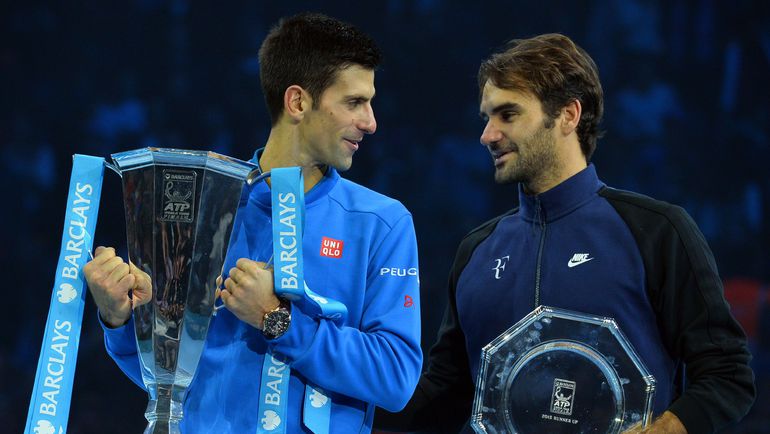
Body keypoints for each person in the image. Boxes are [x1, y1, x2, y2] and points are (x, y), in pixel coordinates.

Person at [375, 33, 755, 433]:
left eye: (508, 114)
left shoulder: (657, 231)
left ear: (568, 115)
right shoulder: (477, 251)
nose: (487, 134)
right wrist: (327, 381)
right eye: (487, 118)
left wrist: (664, 429)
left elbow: (728, 374)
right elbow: (446, 397)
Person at [84, 13, 422, 433]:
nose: (371, 122)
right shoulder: (204, 206)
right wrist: (119, 318)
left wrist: (277, 320)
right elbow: (166, 381)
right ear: (297, 101)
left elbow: (396, 379)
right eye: (354, 102)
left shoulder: (381, 223)